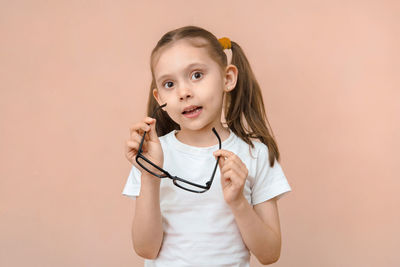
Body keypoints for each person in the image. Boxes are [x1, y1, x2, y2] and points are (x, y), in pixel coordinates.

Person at [122, 25, 292, 267]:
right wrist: (150, 176)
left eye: (197, 75)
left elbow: (269, 253)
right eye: (169, 84)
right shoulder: (152, 154)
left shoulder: (255, 154)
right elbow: (146, 248)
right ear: (160, 98)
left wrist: (239, 203)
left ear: (228, 78)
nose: (183, 92)